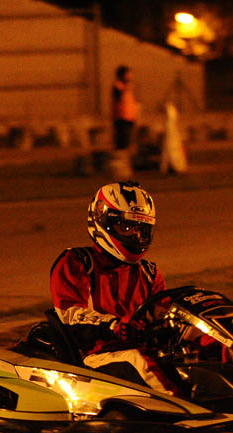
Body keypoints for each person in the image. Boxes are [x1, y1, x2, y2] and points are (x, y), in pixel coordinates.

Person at [50, 181, 178, 394]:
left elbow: (163, 313)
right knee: (139, 361)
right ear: (102, 221)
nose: (136, 236)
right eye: (126, 227)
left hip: (145, 347)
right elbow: (71, 316)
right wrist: (115, 326)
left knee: (204, 347)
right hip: (97, 356)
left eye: (141, 229)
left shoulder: (149, 272)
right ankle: (188, 408)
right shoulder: (78, 262)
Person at [111, 65, 139, 151]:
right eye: (128, 73)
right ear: (122, 75)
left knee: (128, 141)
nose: (131, 76)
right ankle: (121, 155)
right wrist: (126, 88)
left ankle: (124, 153)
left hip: (129, 118)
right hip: (121, 119)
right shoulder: (118, 86)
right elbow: (118, 98)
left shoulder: (128, 87)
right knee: (122, 142)